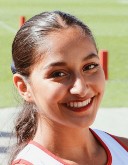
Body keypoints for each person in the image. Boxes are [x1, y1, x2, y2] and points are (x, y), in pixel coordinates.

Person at [9, 11, 128, 165]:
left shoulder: (123, 148)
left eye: (90, 66)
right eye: (58, 73)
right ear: (24, 87)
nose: (81, 89)